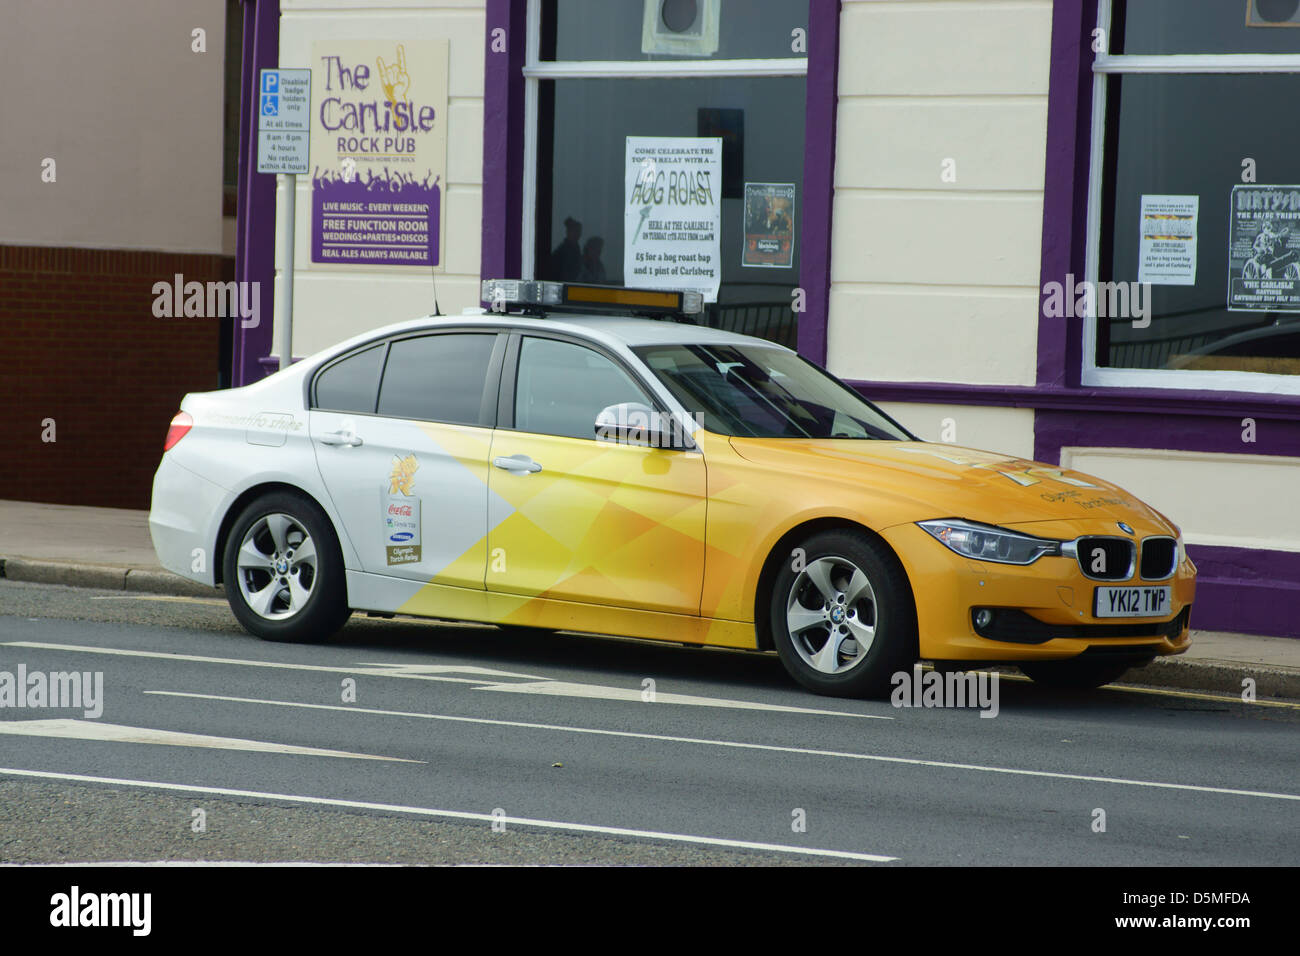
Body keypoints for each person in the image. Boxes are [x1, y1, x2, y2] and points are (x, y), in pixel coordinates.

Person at [549, 217, 582, 281]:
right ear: (568, 232)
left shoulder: (576, 249)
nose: (577, 234)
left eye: (578, 231)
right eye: (574, 231)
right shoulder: (562, 251)